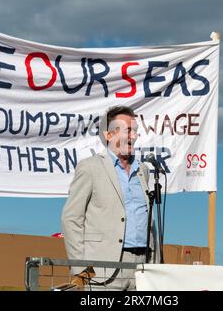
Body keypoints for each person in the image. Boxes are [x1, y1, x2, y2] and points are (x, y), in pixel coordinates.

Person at [61, 105, 158, 291]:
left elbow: (150, 221)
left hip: (142, 269)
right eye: (128, 130)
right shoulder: (90, 168)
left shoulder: (143, 171)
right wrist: (81, 268)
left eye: (136, 131)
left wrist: (155, 263)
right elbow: (71, 218)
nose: (134, 136)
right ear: (109, 135)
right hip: (102, 270)